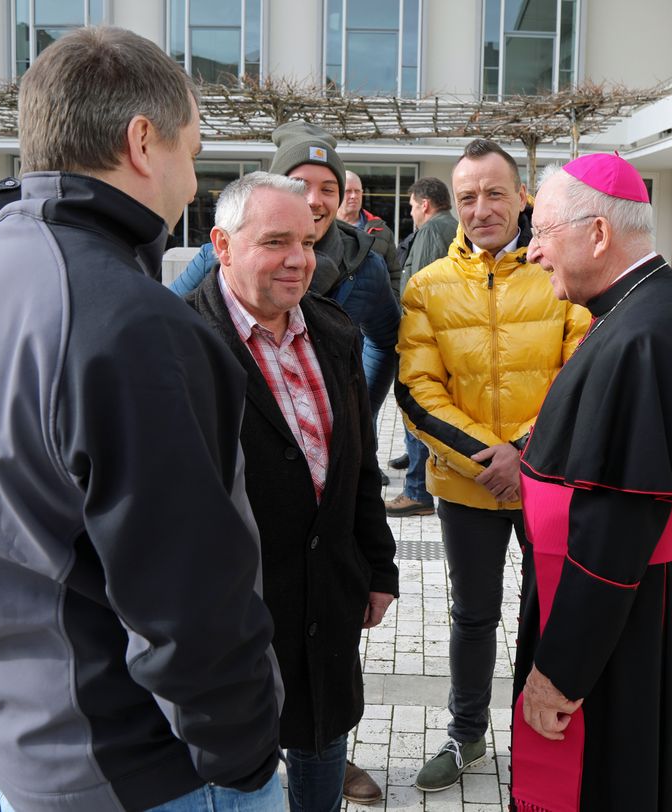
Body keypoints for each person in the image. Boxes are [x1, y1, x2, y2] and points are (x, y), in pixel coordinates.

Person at [0, 27, 283, 812]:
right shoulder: (131, 323)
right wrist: (244, 754)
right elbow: (187, 595)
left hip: (27, 740)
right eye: (192, 151)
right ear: (142, 142)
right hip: (145, 766)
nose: (193, 182)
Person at [512, 154, 672, 811]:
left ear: (597, 234)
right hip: (640, 605)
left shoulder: (644, 337)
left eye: (542, 232)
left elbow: (615, 530)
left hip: (620, 623)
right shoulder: (655, 310)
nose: (532, 251)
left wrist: (559, 674)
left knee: (613, 782)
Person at [184, 171, 399, 812]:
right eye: (275, 242)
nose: (299, 260)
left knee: (323, 736)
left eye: (306, 242)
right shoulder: (182, 340)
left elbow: (359, 465)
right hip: (232, 608)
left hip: (326, 594)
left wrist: (378, 566)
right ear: (222, 246)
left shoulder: (334, 331)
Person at [396, 139, 588, 791]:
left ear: (522, 197)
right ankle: (467, 734)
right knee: (473, 617)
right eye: (468, 197)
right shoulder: (427, 286)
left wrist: (525, 454)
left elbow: (580, 373)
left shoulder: (560, 274)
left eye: (495, 193)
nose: (482, 209)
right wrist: (493, 457)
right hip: (468, 483)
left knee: (548, 612)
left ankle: (544, 736)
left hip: (548, 482)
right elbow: (417, 391)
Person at [170, 122, 399, 424]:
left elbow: (385, 340)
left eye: (328, 189)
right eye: (300, 185)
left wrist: (359, 413)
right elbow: (163, 327)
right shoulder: (222, 255)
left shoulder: (365, 265)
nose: (314, 199)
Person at [384, 176, 457, 518]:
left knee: (415, 407)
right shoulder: (452, 227)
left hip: (424, 340)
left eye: (412, 206)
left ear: (425, 205)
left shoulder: (430, 231)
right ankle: (415, 463)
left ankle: (416, 491)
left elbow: (421, 289)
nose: (411, 212)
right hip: (444, 338)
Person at [338, 169, 401, 295]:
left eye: (357, 191)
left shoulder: (381, 230)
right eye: (348, 191)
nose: (354, 196)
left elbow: (394, 274)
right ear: (338, 193)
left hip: (373, 304)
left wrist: (392, 301)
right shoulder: (323, 227)